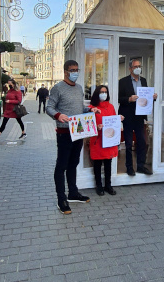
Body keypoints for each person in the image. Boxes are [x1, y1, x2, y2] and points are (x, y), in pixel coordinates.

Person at [46, 59, 98, 215]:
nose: (75, 72)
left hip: (78, 132)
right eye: (72, 70)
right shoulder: (57, 88)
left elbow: (79, 107)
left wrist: (90, 109)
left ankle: (73, 193)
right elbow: (49, 107)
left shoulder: (79, 88)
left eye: (77, 70)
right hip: (64, 133)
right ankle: (61, 198)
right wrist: (58, 115)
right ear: (65, 71)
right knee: (61, 165)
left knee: (73, 163)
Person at [118, 59, 157, 176]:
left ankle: (141, 166)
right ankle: (129, 167)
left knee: (142, 142)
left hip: (140, 116)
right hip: (128, 116)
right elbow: (118, 98)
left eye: (139, 66)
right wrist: (129, 99)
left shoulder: (143, 81)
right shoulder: (123, 81)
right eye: (135, 66)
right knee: (129, 143)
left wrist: (153, 97)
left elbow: (146, 97)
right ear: (130, 68)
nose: (138, 68)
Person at [89, 85, 124, 196]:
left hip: (109, 140)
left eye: (105, 92)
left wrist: (119, 120)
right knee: (98, 164)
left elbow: (113, 120)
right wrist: (96, 127)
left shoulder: (111, 107)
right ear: (96, 94)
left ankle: (108, 185)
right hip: (98, 140)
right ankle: (99, 186)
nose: (104, 94)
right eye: (101, 92)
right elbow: (88, 124)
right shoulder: (92, 107)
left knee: (108, 163)